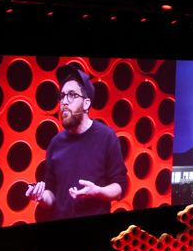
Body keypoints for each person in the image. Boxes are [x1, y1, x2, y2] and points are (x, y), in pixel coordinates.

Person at [26, 65, 128, 220]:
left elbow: (119, 188)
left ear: (86, 104)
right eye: (62, 96)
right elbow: (52, 197)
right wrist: (40, 197)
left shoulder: (107, 137)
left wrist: (97, 191)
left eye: (72, 95)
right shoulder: (55, 144)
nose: (64, 102)